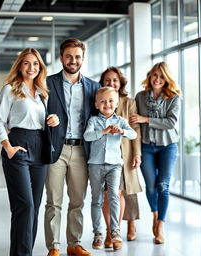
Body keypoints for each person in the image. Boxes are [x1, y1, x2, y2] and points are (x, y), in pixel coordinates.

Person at [0, 48, 59, 256]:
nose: (31, 68)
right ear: (20, 66)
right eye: (27, 63)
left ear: (40, 67)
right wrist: (8, 147)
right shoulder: (10, 89)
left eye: (36, 64)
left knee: (33, 208)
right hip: (18, 146)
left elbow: (43, 122)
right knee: (25, 205)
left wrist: (54, 120)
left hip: (39, 147)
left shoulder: (42, 93)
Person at [44, 38, 100, 256]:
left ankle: (73, 244)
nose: (73, 60)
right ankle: (54, 247)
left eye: (77, 56)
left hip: (81, 151)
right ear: (61, 58)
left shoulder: (93, 88)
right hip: (55, 150)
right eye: (69, 56)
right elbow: (37, 113)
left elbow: (100, 117)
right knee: (53, 201)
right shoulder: (47, 83)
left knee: (77, 201)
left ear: (83, 59)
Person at [130, 61, 181, 244]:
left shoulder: (174, 97)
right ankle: (155, 213)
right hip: (147, 147)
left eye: (161, 76)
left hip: (168, 146)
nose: (157, 79)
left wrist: (146, 119)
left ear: (166, 79)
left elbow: (171, 123)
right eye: (154, 75)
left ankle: (160, 224)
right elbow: (134, 120)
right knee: (151, 186)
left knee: (163, 185)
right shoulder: (140, 97)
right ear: (150, 76)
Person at [83, 87, 137, 250]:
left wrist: (122, 131)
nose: (107, 104)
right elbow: (87, 136)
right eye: (103, 101)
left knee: (114, 195)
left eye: (111, 101)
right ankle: (98, 233)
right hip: (96, 165)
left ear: (117, 104)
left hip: (115, 165)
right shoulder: (93, 120)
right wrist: (104, 131)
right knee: (96, 199)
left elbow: (133, 134)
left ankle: (115, 231)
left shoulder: (120, 120)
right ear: (97, 104)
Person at [99, 67, 142, 246]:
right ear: (102, 83)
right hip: (104, 155)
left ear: (120, 82)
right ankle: (110, 231)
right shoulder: (99, 100)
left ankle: (129, 224)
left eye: (115, 80)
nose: (112, 83)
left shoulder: (129, 102)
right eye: (108, 80)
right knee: (108, 194)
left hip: (125, 153)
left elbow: (136, 130)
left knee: (126, 192)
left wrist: (137, 153)